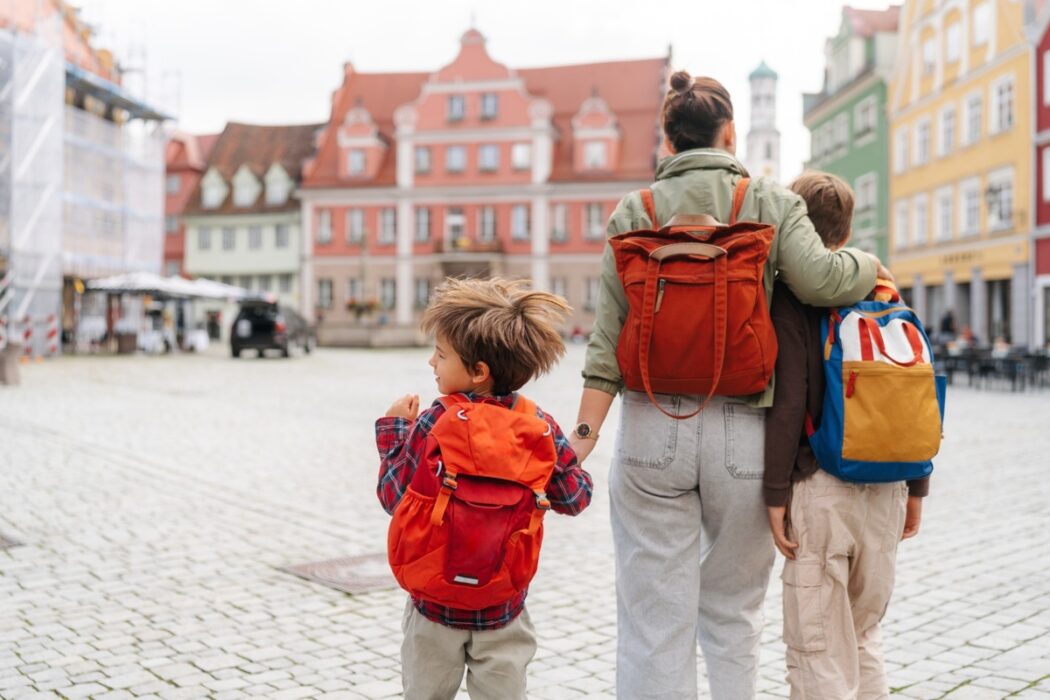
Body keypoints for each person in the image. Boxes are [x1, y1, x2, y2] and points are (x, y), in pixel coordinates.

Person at [569, 71, 891, 700]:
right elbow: (823, 281)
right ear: (731, 132)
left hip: (649, 425)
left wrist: (579, 441)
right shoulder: (769, 200)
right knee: (734, 614)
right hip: (745, 428)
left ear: (668, 140)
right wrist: (868, 263)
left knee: (651, 622)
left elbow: (606, 346)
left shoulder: (634, 212)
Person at [376, 277, 593, 700]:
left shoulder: (434, 420)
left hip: (433, 607)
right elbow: (575, 498)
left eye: (440, 354)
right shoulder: (539, 425)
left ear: (478, 371)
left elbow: (393, 497)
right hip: (502, 606)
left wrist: (393, 429)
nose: (431, 363)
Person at [763, 171, 928, 699]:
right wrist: (918, 489)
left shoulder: (794, 297)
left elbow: (790, 401)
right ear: (846, 227)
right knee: (863, 637)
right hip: (887, 489)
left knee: (817, 654)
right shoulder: (883, 287)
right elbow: (914, 393)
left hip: (821, 491)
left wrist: (774, 495)